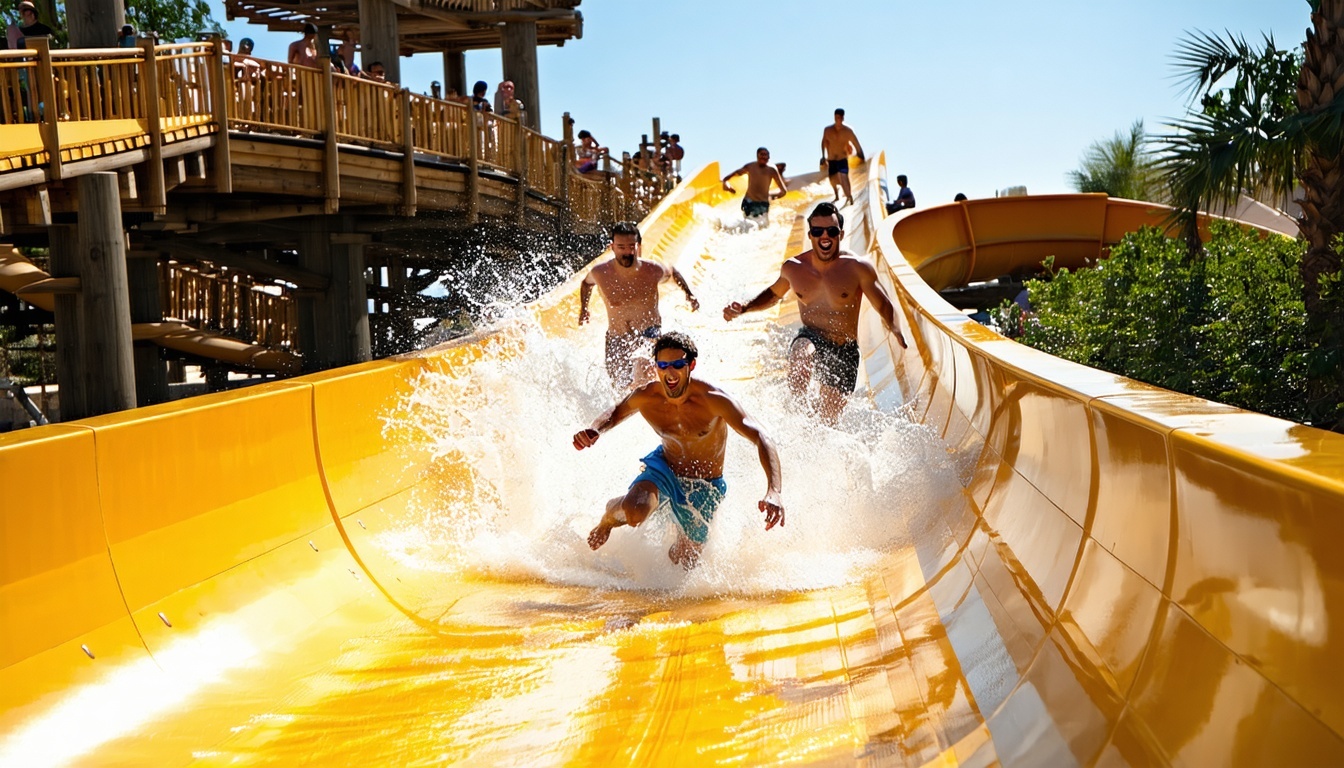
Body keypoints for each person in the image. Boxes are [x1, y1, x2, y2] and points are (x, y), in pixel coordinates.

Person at [574, 332, 784, 570]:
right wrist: (595, 429)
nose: (670, 373)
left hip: (705, 485)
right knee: (635, 511)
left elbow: (762, 436)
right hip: (664, 468)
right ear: (656, 367)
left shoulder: (714, 400)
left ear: (690, 366)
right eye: (663, 366)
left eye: (677, 365)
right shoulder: (647, 396)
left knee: (682, 563)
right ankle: (609, 518)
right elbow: (616, 412)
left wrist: (774, 491)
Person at [723, 202, 908, 425]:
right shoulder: (794, 268)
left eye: (831, 231)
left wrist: (895, 329)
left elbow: (884, 304)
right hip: (811, 335)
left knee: (828, 422)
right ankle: (798, 419)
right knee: (801, 354)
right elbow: (773, 294)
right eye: (818, 231)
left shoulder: (858, 268)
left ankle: (813, 429)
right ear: (810, 235)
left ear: (841, 234)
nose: (824, 236)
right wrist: (745, 308)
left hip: (844, 349)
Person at [579, 221, 699, 388]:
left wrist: (689, 294)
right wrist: (584, 309)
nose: (627, 252)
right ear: (612, 247)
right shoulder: (601, 273)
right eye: (621, 247)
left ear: (638, 246)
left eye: (631, 246)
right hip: (617, 337)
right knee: (619, 387)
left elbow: (672, 272)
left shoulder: (651, 270)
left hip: (648, 334)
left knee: (643, 379)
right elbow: (586, 284)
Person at [722, 147, 788, 221]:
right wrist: (727, 185)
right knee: (748, 223)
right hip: (748, 201)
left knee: (761, 225)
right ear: (757, 155)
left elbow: (783, 191)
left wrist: (771, 196)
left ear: (769, 157)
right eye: (762, 154)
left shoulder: (772, 170)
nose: (764, 157)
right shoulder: (750, 167)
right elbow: (727, 178)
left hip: (763, 204)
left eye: (766, 155)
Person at [821, 108, 865, 206]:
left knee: (843, 176)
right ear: (834, 117)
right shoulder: (828, 130)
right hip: (831, 159)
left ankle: (849, 196)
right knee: (832, 179)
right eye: (836, 117)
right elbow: (823, 142)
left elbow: (856, 144)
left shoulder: (848, 131)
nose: (838, 120)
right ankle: (837, 195)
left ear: (843, 118)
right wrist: (823, 156)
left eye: (840, 118)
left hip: (842, 158)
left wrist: (861, 155)